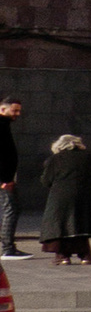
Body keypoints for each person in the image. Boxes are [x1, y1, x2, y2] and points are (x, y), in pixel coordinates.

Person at [40, 127, 91, 264]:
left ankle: (63, 256)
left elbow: (46, 180)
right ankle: (85, 256)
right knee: (81, 224)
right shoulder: (90, 157)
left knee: (59, 225)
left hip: (60, 196)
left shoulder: (55, 159)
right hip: (85, 196)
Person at [0, 98, 19, 254]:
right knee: (11, 209)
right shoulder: (1, 125)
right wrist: (5, 179)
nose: (17, 114)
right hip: (3, 179)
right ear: (2, 109)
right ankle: (7, 248)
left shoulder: (4, 125)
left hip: (5, 177)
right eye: (14, 110)